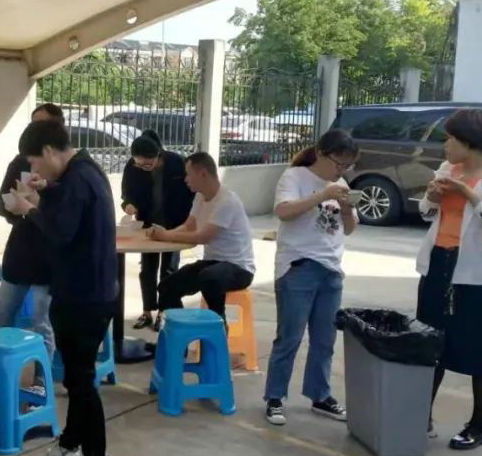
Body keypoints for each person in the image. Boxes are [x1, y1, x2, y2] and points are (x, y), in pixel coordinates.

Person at [4, 120, 117, 456]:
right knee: (75, 376)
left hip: (86, 295)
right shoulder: (82, 172)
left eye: (35, 162)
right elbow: (69, 209)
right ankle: (70, 444)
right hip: (83, 290)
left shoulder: (78, 180)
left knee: (82, 380)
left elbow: (60, 233)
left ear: (50, 151)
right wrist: (45, 190)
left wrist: (29, 208)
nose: (34, 170)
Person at [417, 108, 482, 450]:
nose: (446, 146)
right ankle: (421, 415)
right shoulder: (447, 167)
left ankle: (478, 425)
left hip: (479, 273)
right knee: (430, 342)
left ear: (469, 143)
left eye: (451, 139)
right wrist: (432, 197)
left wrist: (470, 193)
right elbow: (427, 214)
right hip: (439, 262)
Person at [263, 129, 359, 426]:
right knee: (290, 337)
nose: (341, 170)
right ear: (320, 153)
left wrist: (347, 209)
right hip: (299, 266)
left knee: (324, 339)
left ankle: (320, 395)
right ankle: (275, 397)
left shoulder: (340, 184)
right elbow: (283, 211)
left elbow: (349, 228)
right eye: (338, 163)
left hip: (331, 270)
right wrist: (322, 195)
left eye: (347, 166)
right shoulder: (295, 177)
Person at [0, 102, 66, 397]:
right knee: (0, 318)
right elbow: (0, 203)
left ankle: (40, 384)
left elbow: (64, 218)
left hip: (50, 258)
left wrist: (40, 202)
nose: (34, 131)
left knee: (42, 323)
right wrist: (15, 209)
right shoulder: (19, 162)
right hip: (21, 252)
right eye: (32, 124)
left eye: (41, 125)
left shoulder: (66, 170)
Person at [150, 151, 255, 323]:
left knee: (209, 278)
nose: (186, 179)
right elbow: (188, 226)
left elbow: (202, 237)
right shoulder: (200, 197)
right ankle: (182, 329)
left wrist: (165, 235)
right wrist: (164, 234)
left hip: (238, 268)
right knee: (167, 287)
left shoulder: (227, 201)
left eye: (188, 174)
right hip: (212, 263)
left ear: (203, 174)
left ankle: (217, 325)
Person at [121, 130, 192, 331]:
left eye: (147, 164)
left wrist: (187, 223)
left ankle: (164, 311)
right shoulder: (132, 167)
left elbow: (190, 193)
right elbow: (126, 194)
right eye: (139, 164)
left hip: (174, 225)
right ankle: (147, 311)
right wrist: (128, 206)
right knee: (147, 269)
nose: (142, 167)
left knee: (169, 270)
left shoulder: (177, 164)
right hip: (147, 226)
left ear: (157, 155)